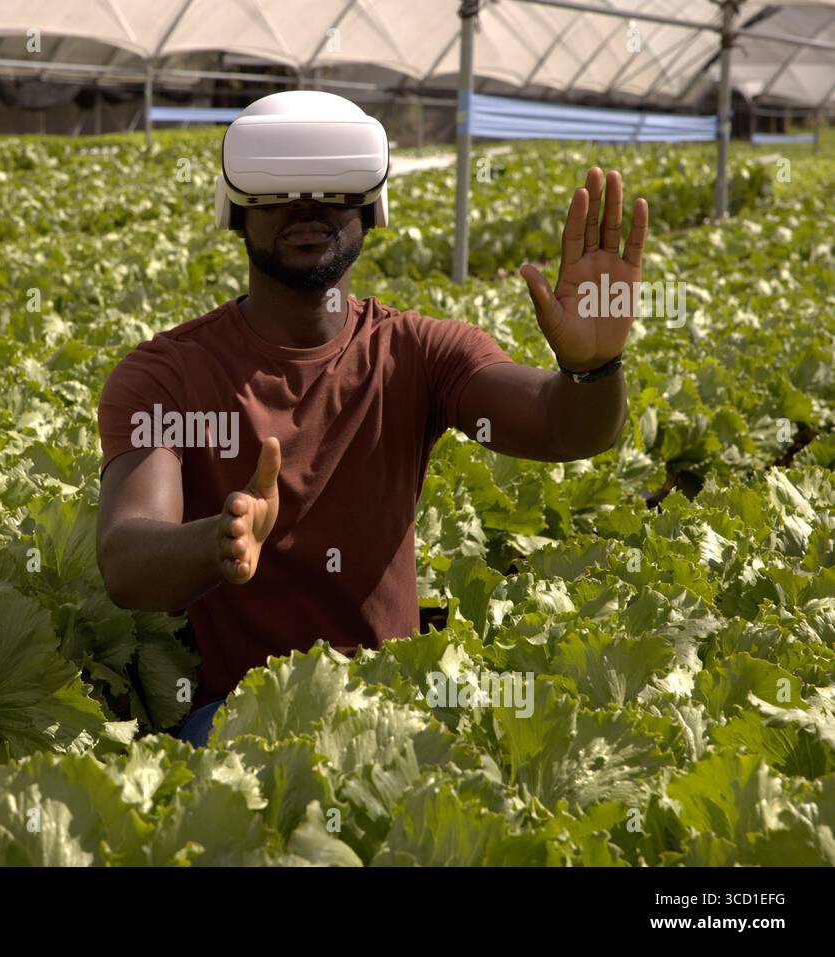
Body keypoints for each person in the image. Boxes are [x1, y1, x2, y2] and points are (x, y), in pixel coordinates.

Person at [95, 92, 645, 748]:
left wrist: (593, 369)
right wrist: (222, 539)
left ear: (371, 207)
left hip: (397, 707)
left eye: (332, 186)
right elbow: (127, 557)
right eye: (276, 190)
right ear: (236, 211)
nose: (306, 206)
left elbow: (563, 429)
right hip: (240, 720)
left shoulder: (419, 351)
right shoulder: (167, 373)